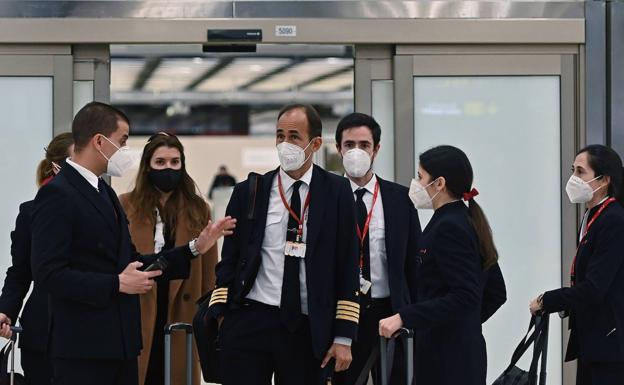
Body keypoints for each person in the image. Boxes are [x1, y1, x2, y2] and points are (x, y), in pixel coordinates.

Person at [30, 101, 236, 385]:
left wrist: (193, 249)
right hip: (83, 350)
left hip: (121, 346)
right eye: (122, 141)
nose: (126, 151)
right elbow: (49, 275)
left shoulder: (104, 191)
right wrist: (116, 283)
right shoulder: (58, 194)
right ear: (99, 141)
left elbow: (134, 261)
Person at [206, 104, 360, 385]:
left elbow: (348, 263)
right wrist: (222, 317)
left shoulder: (337, 192)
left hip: (306, 325)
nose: (285, 144)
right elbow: (229, 259)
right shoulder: (249, 192)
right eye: (280, 135)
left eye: (294, 137)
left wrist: (343, 335)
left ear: (314, 144)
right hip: (251, 318)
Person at [379, 145, 506, 385]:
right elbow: (495, 293)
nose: (415, 184)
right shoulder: (465, 220)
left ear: (439, 183)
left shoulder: (450, 227)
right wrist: (464, 326)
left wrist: (405, 317)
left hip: (446, 360)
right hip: (458, 354)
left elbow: (465, 295)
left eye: (420, 177)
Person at [119, 132, 219, 385]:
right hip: (139, 307)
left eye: (175, 162)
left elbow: (209, 273)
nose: (168, 169)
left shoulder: (199, 208)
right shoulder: (125, 205)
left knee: (176, 372)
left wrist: (210, 318)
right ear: (147, 166)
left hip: (182, 310)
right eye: (160, 162)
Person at [331, 113, 421, 385]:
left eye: (364, 145)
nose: (356, 151)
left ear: (376, 149)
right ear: (338, 149)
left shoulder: (399, 199)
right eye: (349, 145)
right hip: (342, 315)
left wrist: (412, 313)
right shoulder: (327, 197)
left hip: (389, 312)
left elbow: (413, 261)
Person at [529, 144, 624, 385]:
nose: (573, 178)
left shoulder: (613, 220)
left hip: (610, 343)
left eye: (581, 172)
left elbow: (595, 287)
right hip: (593, 339)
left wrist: (548, 300)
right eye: (573, 171)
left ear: (604, 180)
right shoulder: (592, 216)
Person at [0, 132, 74, 385]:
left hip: (87, 333)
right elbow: (20, 272)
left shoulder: (106, 205)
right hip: (42, 331)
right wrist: (5, 310)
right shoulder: (30, 212)